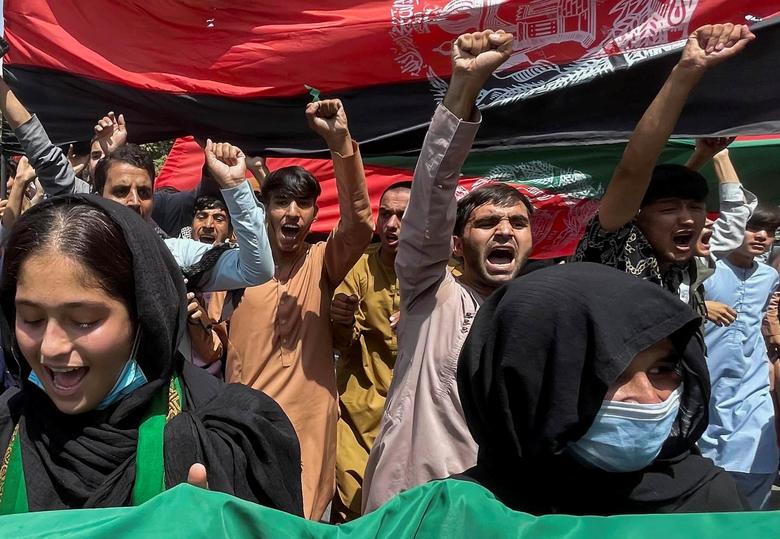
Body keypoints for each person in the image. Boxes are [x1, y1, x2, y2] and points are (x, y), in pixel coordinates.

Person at [0, 195, 303, 514]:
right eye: (31, 319)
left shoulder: (231, 440)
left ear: (143, 316)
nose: (51, 347)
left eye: (84, 321)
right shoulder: (8, 427)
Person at [362, 29, 534, 513]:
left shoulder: (533, 315)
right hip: (411, 505)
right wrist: (463, 89)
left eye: (518, 223)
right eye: (488, 223)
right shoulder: (431, 294)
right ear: (457, 243)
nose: (505, 231)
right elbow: (432, 194)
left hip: (496, 510)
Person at [456, 262, 746, 515]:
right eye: (610, 373)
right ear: (527, 386)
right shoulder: (462, 515)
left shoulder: (712, 502)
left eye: (661, 370)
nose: (648, 399)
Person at [222, 98, 373, 520]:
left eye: (303, 204)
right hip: (245, 424)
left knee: (301, 523)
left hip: (309, 426)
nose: (292, 212)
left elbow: (360, 223)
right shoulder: (232, 269)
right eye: (281, 202)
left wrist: (340, 142)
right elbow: (212, 348)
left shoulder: (323, 261)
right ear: (265, 210)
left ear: (313, 214)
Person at [573, 23, 755, 314]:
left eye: (696, 208)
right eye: (669, 209)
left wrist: (701, 157)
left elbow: (663, 189)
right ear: (636, 214)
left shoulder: (681, 270)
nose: (688, 219)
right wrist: (687, 72)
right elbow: (635, 169)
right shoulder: (615, 246)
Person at [330, 181, 411, 522]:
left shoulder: (447, 275)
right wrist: (342, 319)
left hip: (416, 415)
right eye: (386, 214)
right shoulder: (359, 267)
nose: (391, 224)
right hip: (360, 411)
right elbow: (340, 343)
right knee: (353, 505)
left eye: (403, 216)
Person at [699, 204, 780, 510]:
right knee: (708, 453)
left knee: (758, 455)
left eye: (769, 231)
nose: (762, 236)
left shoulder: (769, 276)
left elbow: (760, 318)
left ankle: (750, 519)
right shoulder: (706, 270)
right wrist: (700, 307)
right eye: (753, 228)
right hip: (707, 376)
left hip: (751, 379)